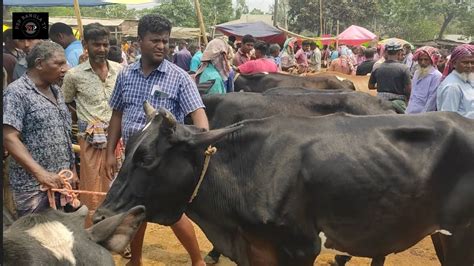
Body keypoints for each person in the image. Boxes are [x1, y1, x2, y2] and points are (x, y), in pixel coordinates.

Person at [103, 14, 207, 266]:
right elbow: (117, 114)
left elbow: (200, 118)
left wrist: (196, 146)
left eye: (166, 41)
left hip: (163, 163)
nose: (162, 46)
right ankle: (136, 260)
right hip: (133, 159)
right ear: (139, 42)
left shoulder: (179, 77)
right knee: (135, 210)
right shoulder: (125, 75)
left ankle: (197, 261)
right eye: (155, 40)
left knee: (170, 212)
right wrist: (109, 153)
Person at [3, 41, 78, 217]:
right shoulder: (16, 93)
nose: (65, 68)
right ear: (39, 64)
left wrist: (72, 169)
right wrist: (41, 174)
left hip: (60, 183)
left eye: (64, 63)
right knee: (37, 239)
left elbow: (65, 134)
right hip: (33, 188)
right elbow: (9, 137)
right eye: (58, 63)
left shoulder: (56, 91)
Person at [61, 23, 123, 226]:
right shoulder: (74, 75)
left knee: (119, 186)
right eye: (96, 45)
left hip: (117, 139)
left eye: (105, 44)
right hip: (90, 141)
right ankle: (92, 234)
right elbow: (66, 102)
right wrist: (84, 120)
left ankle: (115, 231)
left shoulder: (120, 71)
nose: (102, 49)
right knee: (93, 190)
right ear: (85, 44)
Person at [369, 42, 412, 113]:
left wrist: (382, 85)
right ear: (399, 53)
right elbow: (408, 90)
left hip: (380, 103)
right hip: (399, 104)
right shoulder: (404, 68)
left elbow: (370, 86)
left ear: (386, 52)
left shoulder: (377, 67)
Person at [436, 44, 474, 119]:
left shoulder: (468, 79)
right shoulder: (452, 87)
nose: (470, 66)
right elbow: (448, 120)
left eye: (472, 62)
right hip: (463, 129)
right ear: (454, 64)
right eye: (465, 62)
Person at [406, 46, 442, 114]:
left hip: (423, 115)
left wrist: (422, 116)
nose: (422, 62)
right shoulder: (417, 72)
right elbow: (412, 94)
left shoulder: (436, 75)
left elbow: (432, 100)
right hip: (410, 110)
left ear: (431, 60)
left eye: (426, 59)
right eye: (420, 59)